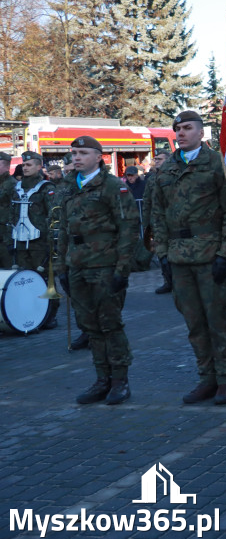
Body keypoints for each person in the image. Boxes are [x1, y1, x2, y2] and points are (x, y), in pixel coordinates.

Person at [152, 110, 226, 406]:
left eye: (188, 128)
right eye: (177, 128)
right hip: (179, 258)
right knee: (194, 323)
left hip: (209, 254)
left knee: (217, 321)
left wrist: (225, 254)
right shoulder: (166, 169)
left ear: (201, 132)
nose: (181, 133)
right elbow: (157, 214)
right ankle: (207, 378)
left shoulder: (217, 163)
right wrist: (162, 253)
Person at [56, 136, 138, 405]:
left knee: (110, 325)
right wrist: (62, 267)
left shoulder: (113, 186)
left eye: (82, 153)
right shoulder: (69, 186)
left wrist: (122, 270)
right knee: (90, 326)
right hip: (77, 265)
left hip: (104, 265)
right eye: (74, 153)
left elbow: (128, 229)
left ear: (98, 156)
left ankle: (120, 381)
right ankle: (102, 379)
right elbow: (63, 229)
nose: (76, 157)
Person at [8, 151, 56, 276]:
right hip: (19, 242)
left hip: (40, 244)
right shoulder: (17, 188)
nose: (25, 168)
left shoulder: (47, 188)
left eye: (28, 165)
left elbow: (54, 216)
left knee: (43, 279)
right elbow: (12, 214)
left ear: (39, 166)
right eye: (23, 165)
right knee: (24, 279)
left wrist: (52, 241)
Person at [143, 151, 172, 294]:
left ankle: (176, 281)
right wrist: (146, 224)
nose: (156, 161)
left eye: (160, 159)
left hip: (172, 221)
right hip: (156, 222)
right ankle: (168, 281)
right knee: (161, 253)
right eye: (155, 159)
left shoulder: (175, 176)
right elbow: (146, 202)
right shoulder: (152, 179)